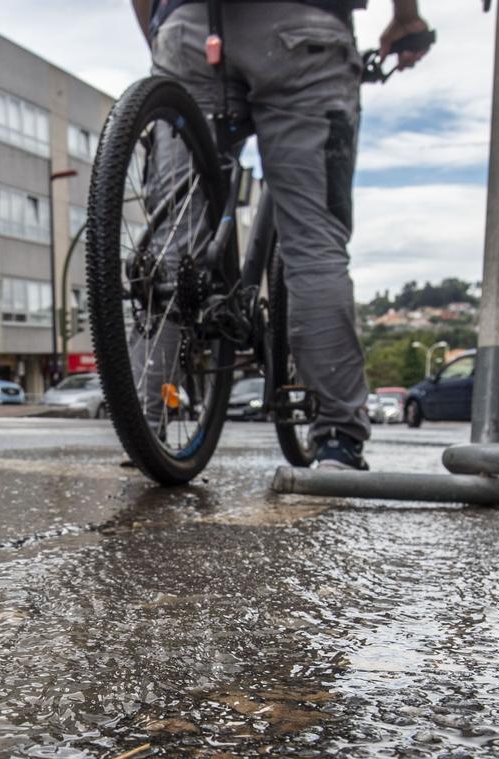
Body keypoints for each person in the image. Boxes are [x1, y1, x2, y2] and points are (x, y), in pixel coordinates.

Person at [129, 0, 428, 469]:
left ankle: (141, 421)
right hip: (304, 25)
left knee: (172, 246)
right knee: (313, 244)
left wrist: (162, 32)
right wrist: (406, 18)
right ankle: (336, 437)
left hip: (189, 24)